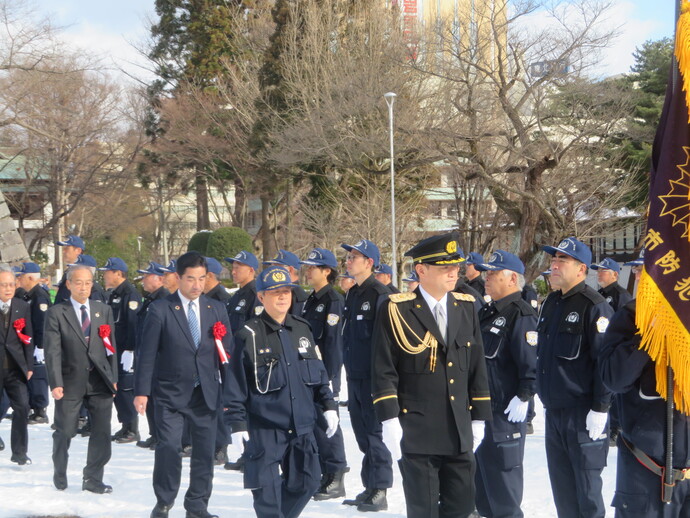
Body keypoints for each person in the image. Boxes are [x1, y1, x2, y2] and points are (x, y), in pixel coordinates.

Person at [371, 232, 491, 518]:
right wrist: (389, 418)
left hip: (459, 430)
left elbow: (476, 366)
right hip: (418, 431)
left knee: (461, 508)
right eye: (444, 267)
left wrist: (480, 416)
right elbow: (383, 368)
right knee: (423, 510)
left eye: (455, 267)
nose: (453, 273)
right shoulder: (396, 309)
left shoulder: (465, 307)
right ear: (421, 270)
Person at [225, 265, 338, 518]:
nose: (283, 296)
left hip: (301, 426)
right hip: (266, 428)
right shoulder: (249, 335)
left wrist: (329, 405)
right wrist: (236, 423)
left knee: (307, 483)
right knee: (267, 494)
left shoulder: (302, 329)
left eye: (286, 291)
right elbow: (235, 385)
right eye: (275, 292)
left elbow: (318, 374)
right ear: (262, 296)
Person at [134, 252, 233, 518]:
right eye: (191, 279)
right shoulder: (161, 309)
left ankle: (198, 504)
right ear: (178, 278)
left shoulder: (216, 309)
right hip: (170, 393)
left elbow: (227, 354)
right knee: (168, 447)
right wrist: (141, 391)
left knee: (204, 451)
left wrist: (231, 395)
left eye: (202, 279)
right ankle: (164, 500)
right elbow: (147, 353)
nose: (197, 285)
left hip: (206, 393)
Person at [537, 237, 614, 518]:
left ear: (581, 268)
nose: (554, 266)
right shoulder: (551, 303)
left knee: (587, 493)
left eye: (562, 261)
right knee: (563, 492)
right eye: (553, 260)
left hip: (582, 414)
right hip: (554, 412)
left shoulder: (594, 306)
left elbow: (604, 362)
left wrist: (600, 407)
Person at [474, 251, 538, 518]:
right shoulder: (487, 312)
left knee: (504, 489)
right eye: (487, 273)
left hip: (504, 412)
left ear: (512, 278)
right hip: (482, 409)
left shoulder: (521, 314)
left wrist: (524, 395)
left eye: (493, 274)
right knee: (483, 487)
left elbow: (530, 362)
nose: (487, 278)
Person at [44, 265, 118, 493]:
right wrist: (56, 382)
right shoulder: (57, 313)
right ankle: (60, 469)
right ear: (68, 285)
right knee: (66, 430)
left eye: (88, 282)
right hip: (70, 380)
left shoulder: (102, 310)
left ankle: (93, 478)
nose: (83, 287)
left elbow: (110, 346)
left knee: (102, 432)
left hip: (99, 380)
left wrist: (113, 376)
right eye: (78, 282)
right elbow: (52, 351)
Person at [340, 239, 393, 512]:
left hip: (373, 378)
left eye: (354, 257)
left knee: (374, 433)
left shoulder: (379, 294)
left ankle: (381, 488)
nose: (348, 262)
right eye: (348, 257)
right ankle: (370, 485)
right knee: (362, 434)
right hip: (354, 374)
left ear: (370, 263)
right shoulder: (354, 293)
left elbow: (385, 342)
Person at [300, 248, 348, 501]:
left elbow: (332, 344)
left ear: (326, 271)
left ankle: (336, 473)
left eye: (312, 267)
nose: (308, 271)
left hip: (323, 374)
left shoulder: (333, 300)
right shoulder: (312, 299)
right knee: (317, 425)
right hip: (309, 372)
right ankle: (323, 472)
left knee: (329, 425)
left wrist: (330, 378)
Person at [99, 257, 142, 444]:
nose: (104, 275)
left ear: (118, 273)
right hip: (114, 349)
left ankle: (132, 428)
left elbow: (133, 324)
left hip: (125, 349)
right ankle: (125, 425)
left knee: (125, 388)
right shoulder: (114, 293)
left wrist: (131, 350)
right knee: (115, 388)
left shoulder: (130, 294)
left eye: (108, 271)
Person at [134, 262, 170, 450]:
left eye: (147, 276)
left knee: (157, 398)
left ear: (159, 279)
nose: (143, 280)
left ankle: (161, 435)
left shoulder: (164, 299)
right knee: (150, 396)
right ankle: (154, 434)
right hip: (146, 353)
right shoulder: (150, 299)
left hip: (158, 358)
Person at [0, 266, 34, 465]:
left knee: (22, 407)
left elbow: (28, 337)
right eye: (3, 285)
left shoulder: (22, 306)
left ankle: (20, 452)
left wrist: (29, 365)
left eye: (11, 284)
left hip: (15, 368)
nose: (8, 289)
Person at [203, 256, 232, 465]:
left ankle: (221, 446)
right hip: (203, 358)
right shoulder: (203, 298)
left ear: (210, 276)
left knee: (219, 403)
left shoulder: (220, 299)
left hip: (220, 358)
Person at [17, 262, 52, 425]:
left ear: (31, 277)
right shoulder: (29, 295)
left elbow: (43, 324)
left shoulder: (39, 296)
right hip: (28, 342)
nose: (19, 280)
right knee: (30, 375)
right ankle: (32, 406)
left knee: (38, 376)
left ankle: (40, 410)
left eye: (21, 276)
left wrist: (41, 346)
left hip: (38, 344)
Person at [225, 251, 262, 333]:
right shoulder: (237, 295)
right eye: (233, 268)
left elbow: (256, 330)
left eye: (237, 268)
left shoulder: (256, 296)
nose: (233, 272)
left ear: (251, 270)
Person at [263, 249, 309, 316]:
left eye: (276, 267)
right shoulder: (269, 294)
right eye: (272, 267)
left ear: (290, 270)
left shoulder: (302, 300)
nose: (272, 271)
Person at [54, 235, 85, 304]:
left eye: (67, 248)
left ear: (78, 250)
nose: (63, 251)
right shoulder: (68, 272)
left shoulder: (82, 273)